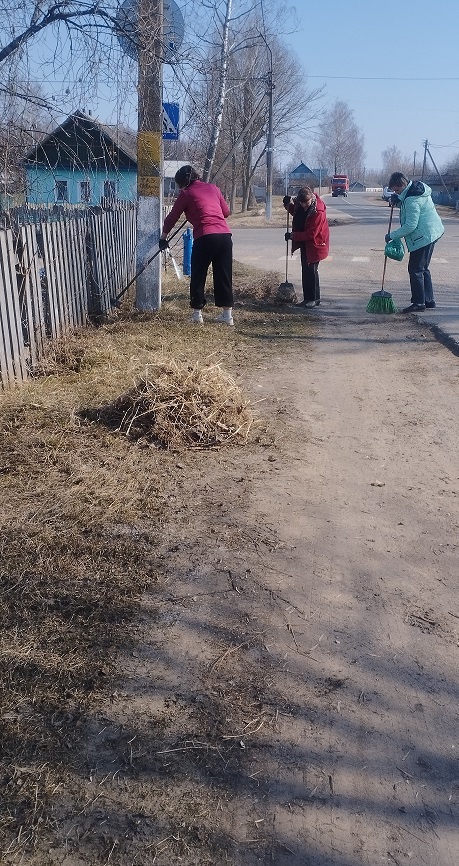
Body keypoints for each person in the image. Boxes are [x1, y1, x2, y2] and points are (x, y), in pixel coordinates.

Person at [160, 165, 234, 325]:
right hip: (225, 236)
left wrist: (163, 237)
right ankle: (227, 316)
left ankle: (197, 314)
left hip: (205, 236)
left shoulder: (186, 193)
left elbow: (172, 218)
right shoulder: (213, 188)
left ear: (182, 183)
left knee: (199, 274)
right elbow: (226, 212)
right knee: (224, 275)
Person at [385, 172, 444, 313]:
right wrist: (399, 200)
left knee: (415, 269)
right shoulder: (415, 190)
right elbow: (407, 204)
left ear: (403, 184)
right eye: (394, 191)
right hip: (432, 231)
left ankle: (419, 302)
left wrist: (392, 235)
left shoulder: (413, 199)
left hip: (424, 236)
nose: (396, 192)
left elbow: (411, 225)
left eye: (397, 190)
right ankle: (428, 300)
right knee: (423, 268)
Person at [283, 186, 330, 307]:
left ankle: (314, 299)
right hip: (305, 242)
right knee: (305, 269)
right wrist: (288, 205)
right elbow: (297, 214)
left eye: (306, 203)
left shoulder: (318, 212)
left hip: (316, 243)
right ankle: (307, 298)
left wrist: (293, 236)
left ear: (311, 199)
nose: (304, 205)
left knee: (311, 271)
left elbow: (311, 234)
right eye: (302, 203)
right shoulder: (300, 205)